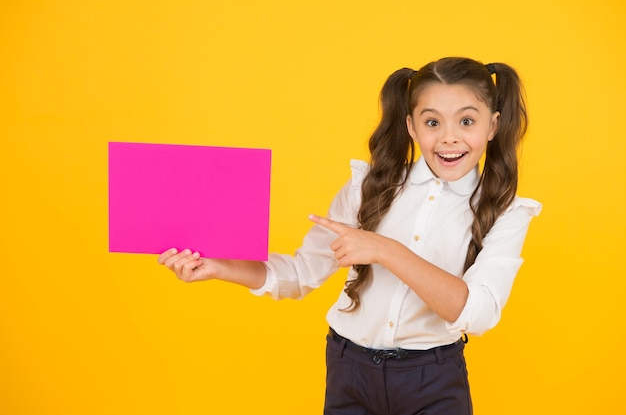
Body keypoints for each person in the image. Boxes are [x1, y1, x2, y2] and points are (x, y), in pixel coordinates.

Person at [158, 57, 541, 415]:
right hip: (350, 371)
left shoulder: (507, 211)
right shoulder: (369, 186)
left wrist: (385, 249)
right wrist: (218, 267)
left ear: (493, 125)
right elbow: (301, 273)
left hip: (434, 378)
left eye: (467, 122)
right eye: (432, 122)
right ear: (411, 126)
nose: (450, 138)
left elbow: (476, 313)